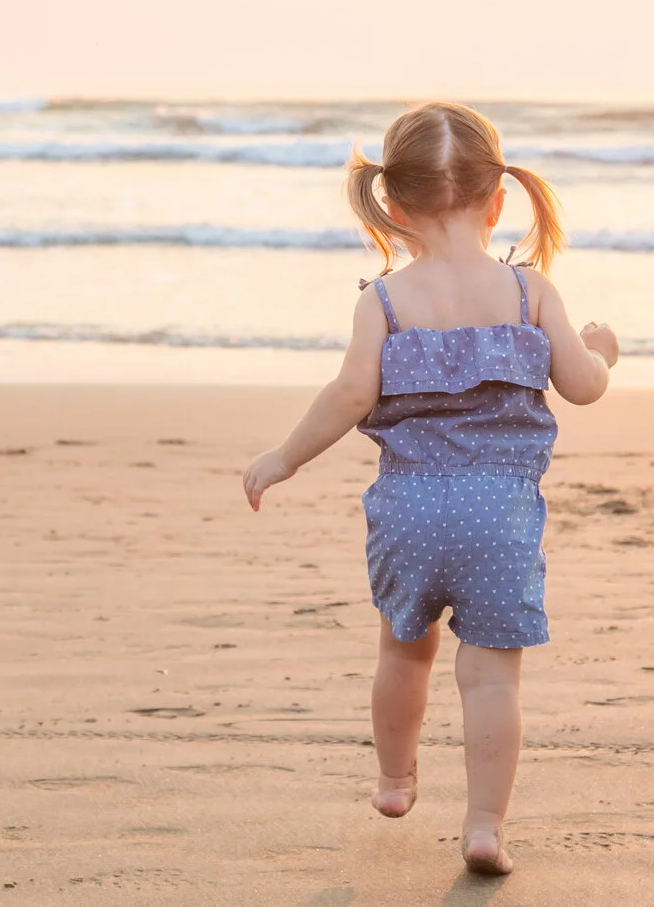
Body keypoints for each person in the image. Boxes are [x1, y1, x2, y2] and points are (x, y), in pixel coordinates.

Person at [243, 101, 618, 875]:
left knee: (403, 653)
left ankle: (394, 779)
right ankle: (484, 828)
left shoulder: (383, 301)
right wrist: (601, 352)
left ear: (393, 202)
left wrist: (285, 456)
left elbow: (349, 395)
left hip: (409, 510)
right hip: (497, 516)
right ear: (498, 201)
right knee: (489, 676)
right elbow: (582, 386)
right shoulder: (529, 293)